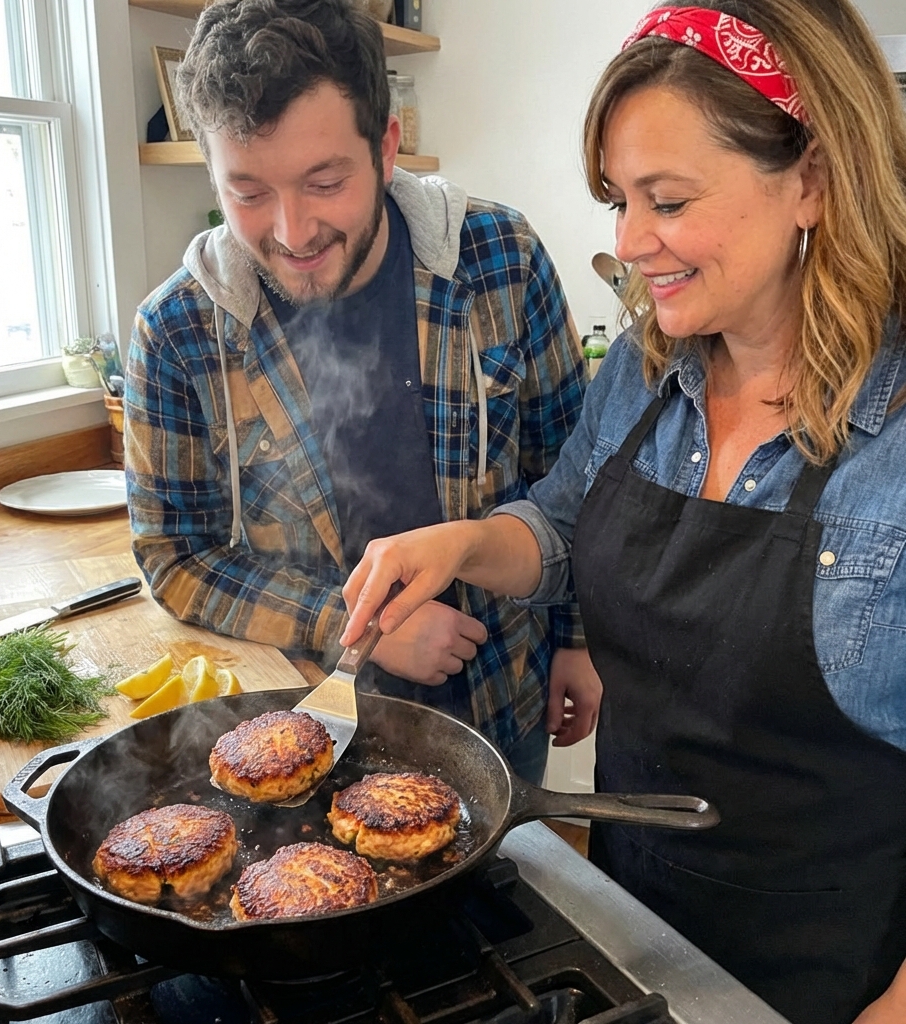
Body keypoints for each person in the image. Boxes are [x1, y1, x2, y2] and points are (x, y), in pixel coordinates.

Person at [341, 2, 906, 1022]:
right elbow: (563, 531)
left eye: (668, 199)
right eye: (616, 199)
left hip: (831, 979)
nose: (630, 241)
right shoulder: (648, 368)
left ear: (812, 179)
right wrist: (464, 541)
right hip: (627, 930)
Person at [124, 0, 591, 783]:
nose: (293, 231)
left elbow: (574, 481)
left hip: (503, 698)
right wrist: (353, 626)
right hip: (305, 731)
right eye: (247, 192)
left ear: (387, 147)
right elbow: (174, 555)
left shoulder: (499, 259)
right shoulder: (176, 332)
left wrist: (579, 635)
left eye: (325, 181)